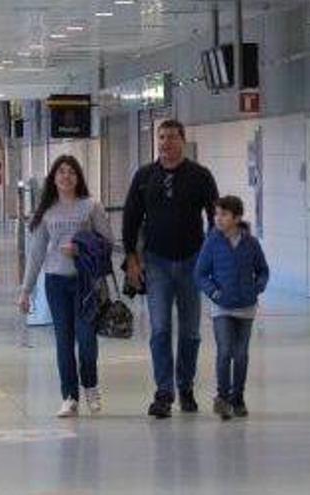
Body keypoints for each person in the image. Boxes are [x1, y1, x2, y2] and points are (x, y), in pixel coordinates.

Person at [123, 119, 219, 419]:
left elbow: (215, 218)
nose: (165, 142)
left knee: (190, 332)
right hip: (157, 263)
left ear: (182, 141)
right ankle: (164, 392)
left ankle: (185, 386)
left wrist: (215, 258)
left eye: (171, 137)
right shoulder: (144, 177)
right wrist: (132, 260)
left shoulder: (200, 176)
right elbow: (131, 219)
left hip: (193, 262)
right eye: (161, 137)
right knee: (161, 329)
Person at [18, 155, 114, 418]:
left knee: (86, 339)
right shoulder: (47, 210)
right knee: (63, 341)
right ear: (54, 178)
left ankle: (91, 387)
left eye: (71, 172)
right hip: (56, 281)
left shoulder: (91, 206)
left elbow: (108, 241)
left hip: (87, 282)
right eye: (61, 172)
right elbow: (36, 252)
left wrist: (80, 248)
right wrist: (26, 291)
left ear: (78, 177)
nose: (66, 177)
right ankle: (69, 397)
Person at [195, 196, 269, 421]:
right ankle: (223, 398)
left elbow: (263, 270)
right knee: (225, 350)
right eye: (217, 214)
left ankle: (238, 398)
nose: (218, 218)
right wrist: (214, 293)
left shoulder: (251, 243)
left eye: (224, 214)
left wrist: (257, 288)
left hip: (246, 307)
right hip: (222, 307)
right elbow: (200, 273)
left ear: (237, 218)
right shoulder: (212, 242)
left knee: (241, 354)